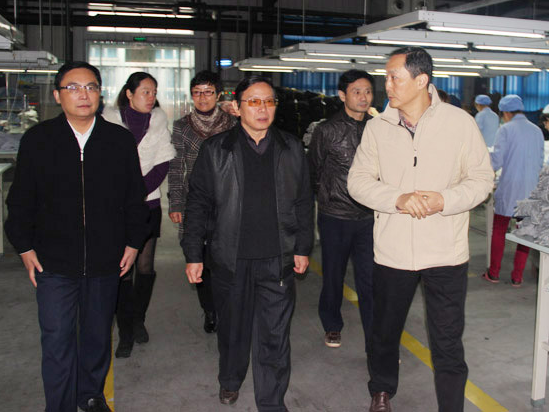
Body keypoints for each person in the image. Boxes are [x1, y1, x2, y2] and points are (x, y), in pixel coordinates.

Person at [347, 47, 494, 412]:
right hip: (393, 252)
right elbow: (358, 182)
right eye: (386, 77)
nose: (386, 85)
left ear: (421, 80)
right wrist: (397, 199)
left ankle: (451, 405)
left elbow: (481, 179)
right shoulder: (378, 128)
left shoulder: (459, 123)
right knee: (385, 330)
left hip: (446, 252)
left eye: (394, 77)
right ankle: (381, 390)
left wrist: (445, 200)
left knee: (447, 339)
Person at [5, 62, 148, 412]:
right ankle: (59, 405)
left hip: (105, 259)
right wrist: (24, 247)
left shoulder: (118, 140)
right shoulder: (38, 140)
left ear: (100, 94)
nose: (83, 95)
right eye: (73, 87)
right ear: (58, 95)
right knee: (57, 338)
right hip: (53, 262)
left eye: (91, 87)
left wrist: (133, 242)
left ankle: (90, 395)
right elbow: (20, 200)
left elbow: (134, 198)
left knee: (97, 336)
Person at [182, 76, 313, 411]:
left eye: (269, 101)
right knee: (233, 330)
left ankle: (272, 402)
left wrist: (302, 247)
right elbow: (197, 204)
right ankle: (230, 378)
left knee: (275, 336)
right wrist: (194, 253)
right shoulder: (216, 149)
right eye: (253, 101)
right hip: (231, 258)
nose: (262, 108)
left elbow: (303, 201)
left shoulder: (290, 148)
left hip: (277, 258)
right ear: (237, 108)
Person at [102, 72, 176, 358]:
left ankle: (138, 320)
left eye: (154, 92)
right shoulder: (107, 122)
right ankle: (125, 332)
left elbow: (163, 163)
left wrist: (137, 192)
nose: (151, 97)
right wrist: (125, 194)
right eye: (145, 91)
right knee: (123, 270)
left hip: (148, 204)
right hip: (116, 206)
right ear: (129, 94)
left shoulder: (158, 122)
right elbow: (103, 165)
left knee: (144, 267)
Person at [307, 69, 374, 350]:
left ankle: (376, 334)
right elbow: (313, 171)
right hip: (335, 216)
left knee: (370, 279)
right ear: (342, 95)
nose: (363, 97)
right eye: (357, 91)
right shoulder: (326, 130)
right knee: (333, 275)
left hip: (370, 216)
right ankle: (332, 324)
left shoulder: (379, 128)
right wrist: (328, 197)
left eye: (368, 91)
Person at [168, 70, 237, 333]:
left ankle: (226, 307)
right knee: (199, 257)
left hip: (228, 201)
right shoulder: (182, 126)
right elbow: (176, 167)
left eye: (208, 92)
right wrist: (176, 203)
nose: (202, 97)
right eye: (197, 92)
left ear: (218, 95)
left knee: (226, 257)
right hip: (195, 201)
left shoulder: (233, 122)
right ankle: (209, 310)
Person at [482, 95, 544, 287]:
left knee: (499, 229)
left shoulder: (506, 129)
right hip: (531, 189)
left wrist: (483, 165)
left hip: (510, 188)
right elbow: (540, 162)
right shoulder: (536, 131)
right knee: (525, 234)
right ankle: (517, 276)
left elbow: (497, 161)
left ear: (506, 113)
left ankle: (494, 273)